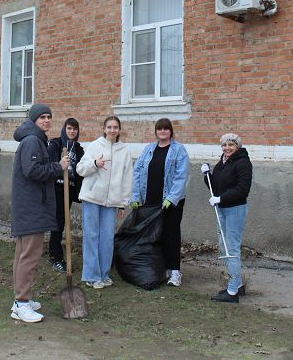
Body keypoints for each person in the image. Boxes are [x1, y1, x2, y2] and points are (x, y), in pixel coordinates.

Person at [10, 103, 69, 322]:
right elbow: (32, 171)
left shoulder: (34, 139)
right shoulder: (32, 141)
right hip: (31, 208)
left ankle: (20, 300)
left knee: (22, 255)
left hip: (30, 207)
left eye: (49, 117)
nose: (47, 120)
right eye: (42, 117)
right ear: (34, 120)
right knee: (29, 256)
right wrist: (58, 166)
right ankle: (22, 303)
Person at [130, 118, 190, 287]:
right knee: (153, 236)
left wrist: (171, 198)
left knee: (171, 235)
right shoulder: (149, 149)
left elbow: (181, 176)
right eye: (159, 129)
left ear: (170, 131)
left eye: (166, 129)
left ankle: (175, 272)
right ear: (156, 131)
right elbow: (137, 170)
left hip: (171, 202)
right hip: (150, 200)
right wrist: (135, 196)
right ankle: (159, 269)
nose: (162, 131)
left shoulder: (179, 150)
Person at [75, 116, 133, 288]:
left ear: (119, 129)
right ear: (104, 128)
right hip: (92, 198)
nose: (112, 130)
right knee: (91, 236)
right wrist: (95, 163)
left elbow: (127, 179)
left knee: (107, 238)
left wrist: (122, 203)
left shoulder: (124, 151)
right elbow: (80, 169)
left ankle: (103, 274)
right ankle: (92, 276)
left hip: (112, 202)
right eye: (109, 127)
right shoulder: (95, 146)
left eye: (115, 127)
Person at [203, 132, 252, 303]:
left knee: (231, 249)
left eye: (231, 145)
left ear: (237, 146)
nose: (227, 148)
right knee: (224, 247)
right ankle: (237, 285)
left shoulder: (243, 163)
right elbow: (215, 186)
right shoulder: (223, 162)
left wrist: (221, 198)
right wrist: (207, 176)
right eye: (224, 145)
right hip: (222, 209)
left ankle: (232, 292)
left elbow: (242, 189)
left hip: (235, 210)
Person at [47, 118, 85, 272]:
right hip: (56, 187)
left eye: (75, 129)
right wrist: (59, 164)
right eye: (69, 128)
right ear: (64, 129)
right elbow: (49, 166)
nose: (72, 131)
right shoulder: (55, 145)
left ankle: (54, 252)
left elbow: (80, 171)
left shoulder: (78, 149)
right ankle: (55, 257)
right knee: (58, 222)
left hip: (69, 188)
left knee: (62, 222)